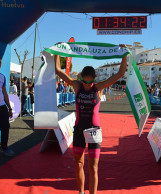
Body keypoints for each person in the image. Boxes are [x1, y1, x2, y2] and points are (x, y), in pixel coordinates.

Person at [54, 44, 127, 194]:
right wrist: (57, 52)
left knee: (93, 167)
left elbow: (119, 74)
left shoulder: (98, 87)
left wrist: (124, 55)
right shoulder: (76, 85)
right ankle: (81, 192)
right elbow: (58, 71)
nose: (87, 85)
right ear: (81, 78)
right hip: (79, 130)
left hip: (94, 131)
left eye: (89, 82)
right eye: (84, 81)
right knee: (78, 164)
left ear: (94, 79)